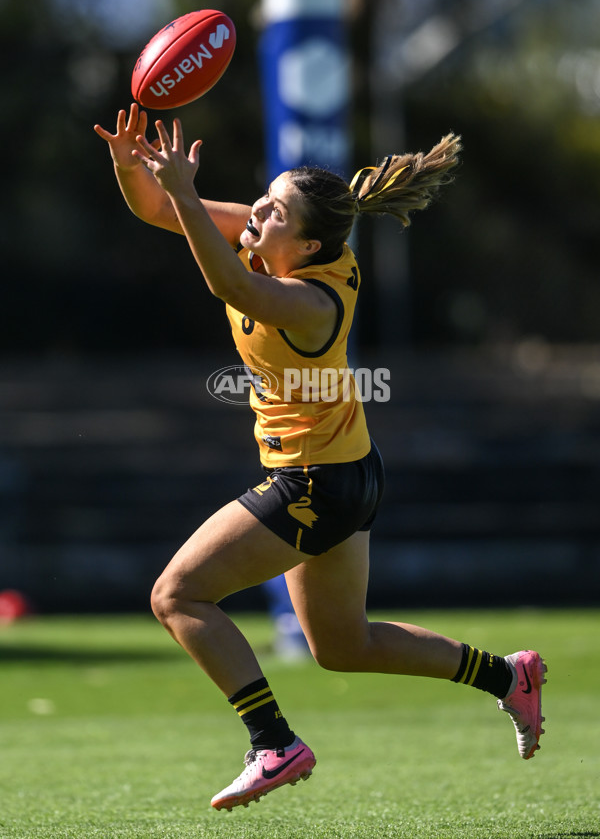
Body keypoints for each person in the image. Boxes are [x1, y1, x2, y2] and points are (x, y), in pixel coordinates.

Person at [94, 105, 546, 812]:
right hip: (347, 473)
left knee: (176, 595)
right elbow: (157, 208)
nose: (257, 213)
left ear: (305, 245)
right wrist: (133, 166)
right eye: (262, 198)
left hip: (314, 483)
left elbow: (233, 288)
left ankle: (271, 740)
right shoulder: (273, 237)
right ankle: (507, 676)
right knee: (342, 645)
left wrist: (185, 194)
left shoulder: (310, 299)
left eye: (272, 210)